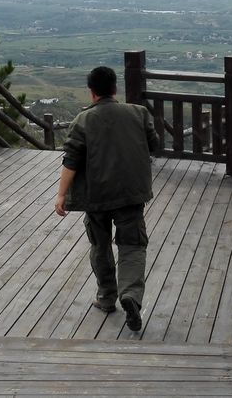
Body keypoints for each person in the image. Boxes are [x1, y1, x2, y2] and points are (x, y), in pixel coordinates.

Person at [55, 66, 159, 332]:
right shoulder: (139, 113)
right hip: (130, 194)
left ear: (92, 93)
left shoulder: (83, 120)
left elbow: (71, 160)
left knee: (100, 245)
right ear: (115, 89)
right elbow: (154, 144)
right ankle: (131, 295)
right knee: (133, 246)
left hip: (96, 197)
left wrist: (61, 194)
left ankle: (106, 297)